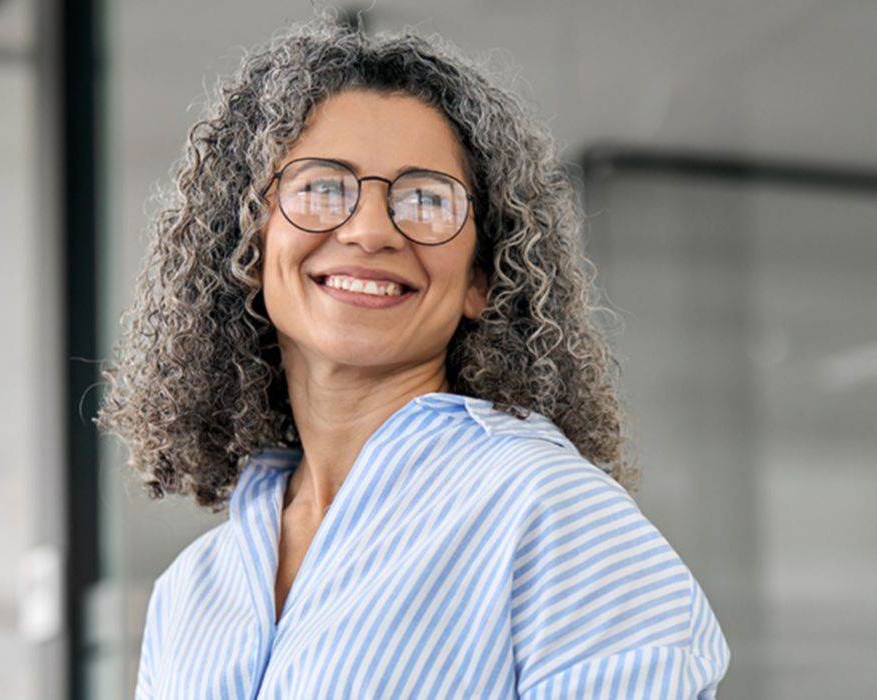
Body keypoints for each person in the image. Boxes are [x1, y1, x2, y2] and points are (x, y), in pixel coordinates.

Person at [95, 16, 729, 699]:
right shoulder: (192, 590)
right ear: (249, 249)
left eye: (425, 200)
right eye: (322, 187)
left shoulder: (546, 509)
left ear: (483, 278)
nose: (370, 230)